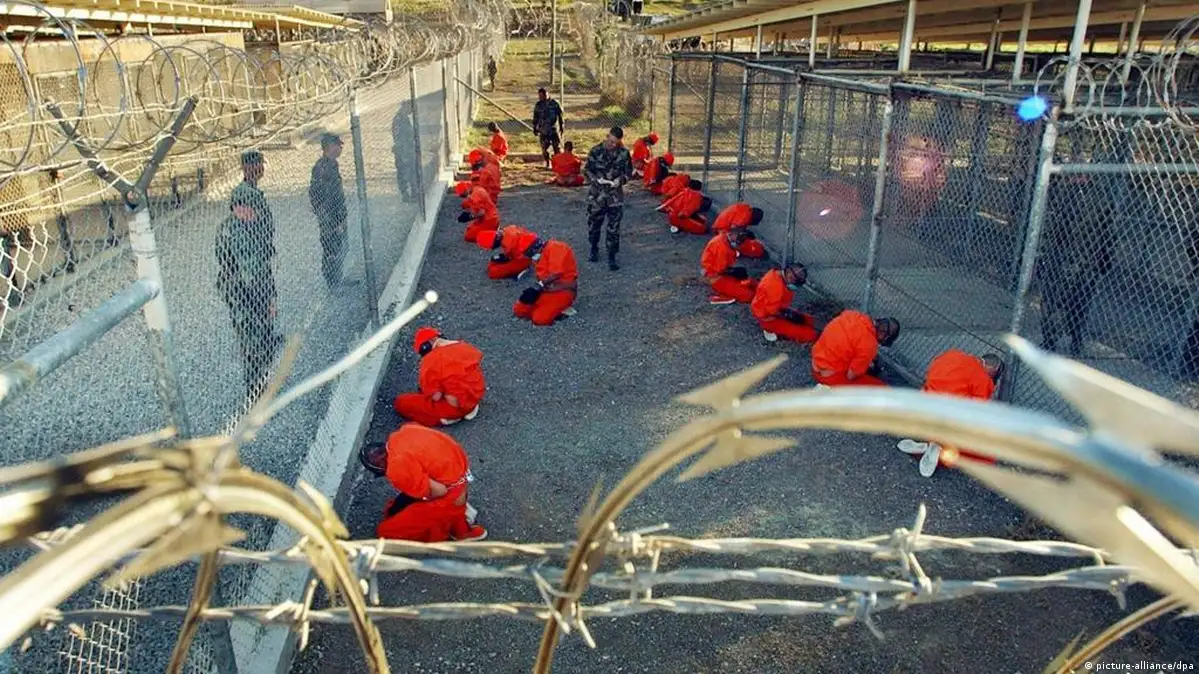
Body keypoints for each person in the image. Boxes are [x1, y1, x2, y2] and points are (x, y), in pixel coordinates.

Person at [215, 150, 283, 401]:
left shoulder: (248, 223)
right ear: (237, 207)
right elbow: (250, 273)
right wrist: (267, 301)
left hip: (256, 284)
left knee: (261, 334)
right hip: (243, 291)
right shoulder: (235, 233)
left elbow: (261, 266)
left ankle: (263, 375)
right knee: (252, 340)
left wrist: (270, 297)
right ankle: (256, 390)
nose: (254, 213)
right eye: (248, 208)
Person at [361, 424, 487, 542]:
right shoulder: (404, 432)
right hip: (460, 475)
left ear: (381, 467)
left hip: (450, 494)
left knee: (385, 531)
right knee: (399, 506)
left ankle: (455, 524)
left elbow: (440, 491)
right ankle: (457, 514)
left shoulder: (396, 468)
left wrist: (422, 496)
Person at [898, 351, 1004, 477]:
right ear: (992, 369)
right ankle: (939, 448)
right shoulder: (984, 379)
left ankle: (930, 443)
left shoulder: (952, 354)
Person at [393, 326, 485, 427]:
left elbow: (436, 397)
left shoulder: (430, 361)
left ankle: (450, 417)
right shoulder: (466, 347)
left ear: (426, 346)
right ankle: (469, 409)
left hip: (453, 408)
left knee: (401, 403)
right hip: (474, 398)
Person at [585, 126, 634, 271]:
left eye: (616, 143)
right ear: (607, 136)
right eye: (611, 141)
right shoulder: (596, 151)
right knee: (594, 225)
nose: (612, 145)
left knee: (614, 228)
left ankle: (612, 256)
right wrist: (595, 179)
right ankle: (594, 248)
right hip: (597, 196)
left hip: (615, 197)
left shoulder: (624, 153)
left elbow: (628, 172)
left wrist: (621, 180)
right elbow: (587, 170)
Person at [810, 310, 900, 387]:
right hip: (827, 377)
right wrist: (865, 368)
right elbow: (851, 376)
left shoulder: (854, 315)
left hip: (815, 362)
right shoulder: (870, 345)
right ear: (883, 336)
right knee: (882, 387)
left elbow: (850, 341)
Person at [308, 133, 348, 290]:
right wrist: (332, 219)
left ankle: (338, 277)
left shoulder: (332, 165)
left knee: (341, 246)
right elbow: (319, 195)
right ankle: (332, 282)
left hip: (336, 213)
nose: (340, 148)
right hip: (329, 215)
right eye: (338, 145)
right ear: (330, 147)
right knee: (331, 248)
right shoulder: (322, 168)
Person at [513, 233, 579, 326]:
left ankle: (562, 309)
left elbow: (556, 274)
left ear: (534, 248)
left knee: (539, 319)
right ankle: (553, 309)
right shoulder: (540, 254)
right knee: (519, 310)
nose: (530, 256)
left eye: (529, 253)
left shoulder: (557, 248)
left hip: (563, 289)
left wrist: (539, 285)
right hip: (547, 288)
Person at [751, 264, 818, 343]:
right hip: (768, 318)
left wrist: (789, 314)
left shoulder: (775, 274)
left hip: (772, 309)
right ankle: (772, 330)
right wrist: (788, 316)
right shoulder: (776, 289)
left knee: (807, 319)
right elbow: (772, 312)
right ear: (790, 278)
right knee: (810, 334)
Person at [702, 229, 758, 305]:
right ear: (731, 234)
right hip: (716, 277)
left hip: (719, 272)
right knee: (749, 295)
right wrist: (731, 272)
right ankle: (723, 296)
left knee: (744, 276)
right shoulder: (722, 248)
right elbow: (719, 269)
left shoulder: (725, 239)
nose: (739, 241)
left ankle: (735, 287)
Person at [533, 88, 565, 168]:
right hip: (543, 130)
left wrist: (562, 127)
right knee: (545, 149)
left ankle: (558, 164)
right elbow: (535, 117)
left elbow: (560, 116)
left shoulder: (555, 103)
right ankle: (548, 163)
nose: (541, 97)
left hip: (554, 130)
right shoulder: (538, 105)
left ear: (547, 94)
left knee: (557, 148)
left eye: (543, 95)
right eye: (539, 96)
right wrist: (535, 128)